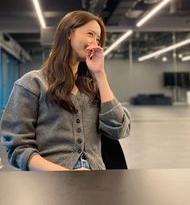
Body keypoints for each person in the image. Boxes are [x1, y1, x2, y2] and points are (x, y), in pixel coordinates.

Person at [0, 10, 131, 171]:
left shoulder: (94, 86)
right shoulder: (32, 83)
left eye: (98, 39)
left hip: (97, 178)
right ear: (69, 33)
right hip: (51, 181)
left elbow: (119, 129)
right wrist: (67, 175)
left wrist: (100, 74)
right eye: (90, 34)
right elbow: (17, 147)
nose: (95, 43)